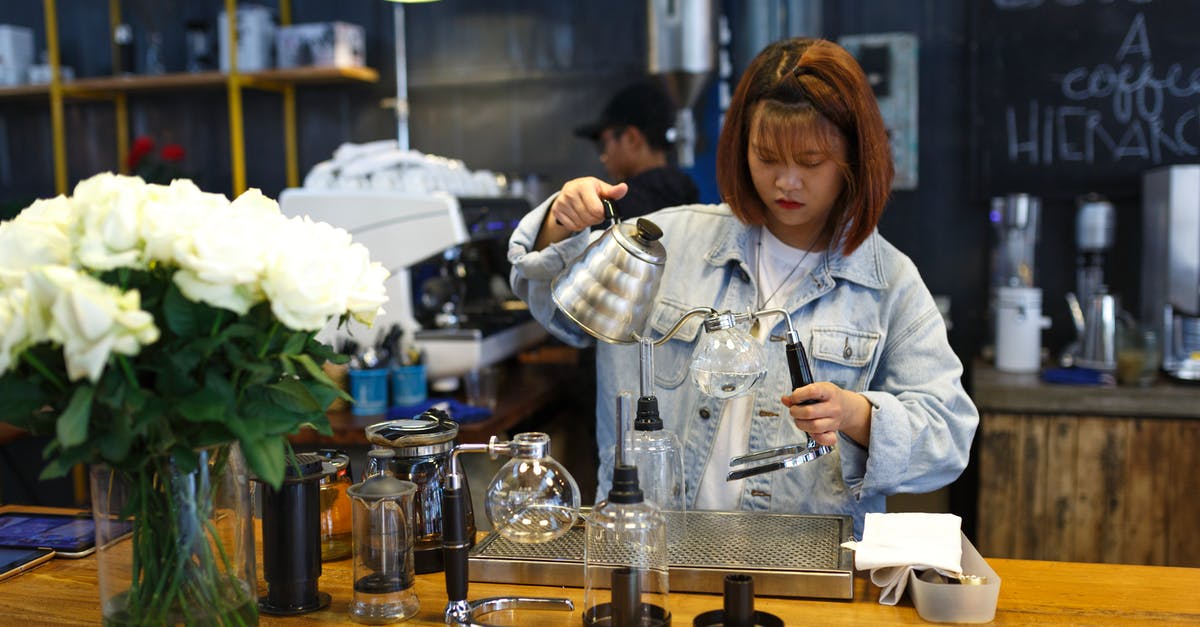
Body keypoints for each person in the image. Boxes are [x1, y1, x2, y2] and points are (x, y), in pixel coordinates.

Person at [508, 38, 978, 538]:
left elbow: (948, 438)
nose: (788, 182)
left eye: (812, 161)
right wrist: (561, 223)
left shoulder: (886, 282)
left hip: (806, 571)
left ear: (854, 159)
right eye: (768, 157)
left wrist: (859, 415)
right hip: (653, 554)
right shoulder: (669, 241)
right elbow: (555, 309)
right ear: (741, 147)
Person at [573, 80, 699, 221]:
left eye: (603, 144)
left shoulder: (618, 209)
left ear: (632, 139)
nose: (603, 157)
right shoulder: (691, 196)